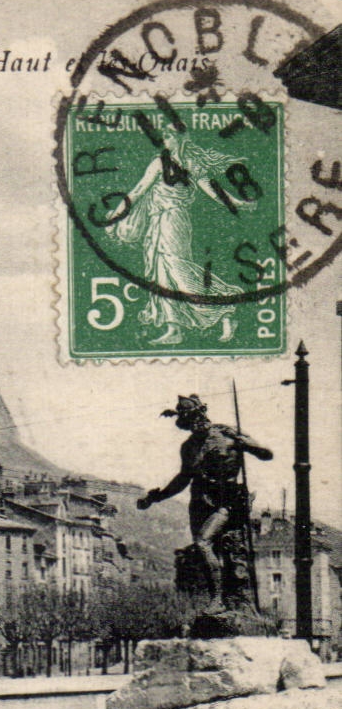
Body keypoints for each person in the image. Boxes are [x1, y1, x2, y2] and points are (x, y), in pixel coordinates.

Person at [104, 133, 256, 345]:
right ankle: (174, 328)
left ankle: (225, 306)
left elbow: (213, 191)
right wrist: (117, 214)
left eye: (168, 136)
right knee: (161, 273)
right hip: (157, 222)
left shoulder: (191, 164)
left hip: (175, 220)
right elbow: (137, 191)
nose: (164, 140)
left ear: (180, 139)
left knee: (177, 269)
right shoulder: (159, 163)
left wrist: (237, 203)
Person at [137, 394, 272, 609]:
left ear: (203, 413)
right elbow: (183, 478)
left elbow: (267, 454)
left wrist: (249, 445)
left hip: (228, 500)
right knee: (204, 551)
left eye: (196, 418)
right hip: (200, 501)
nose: (195, 424)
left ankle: (218, 600)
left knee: (204, 543)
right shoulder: (189, 447)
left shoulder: (228, 433)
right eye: (189, 422)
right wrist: (156, 497)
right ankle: (219, 599)